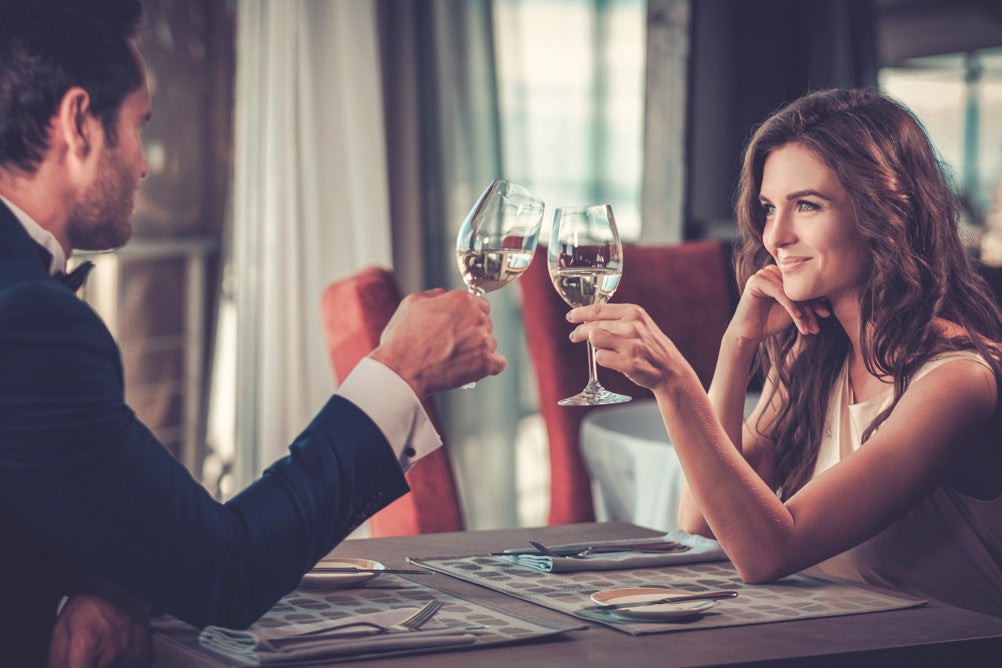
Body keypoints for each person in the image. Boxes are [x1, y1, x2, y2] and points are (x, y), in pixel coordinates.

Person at [0, 2, 505, 665]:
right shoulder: (30, 322)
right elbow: (226, 569)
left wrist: (115, 577)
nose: (146, 164)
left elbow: (57, 498)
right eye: (138, 128)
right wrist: (400, 370)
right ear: (78, 124)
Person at [568, 88, 1002, 617]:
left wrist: (674, 383)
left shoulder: (956, 381)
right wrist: (738, 345)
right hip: (840, 642)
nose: (776, 235)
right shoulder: (815, 360)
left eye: (808, 205)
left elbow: (765, 552)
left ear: (887, 211)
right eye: (770, 207)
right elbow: (702, 522)